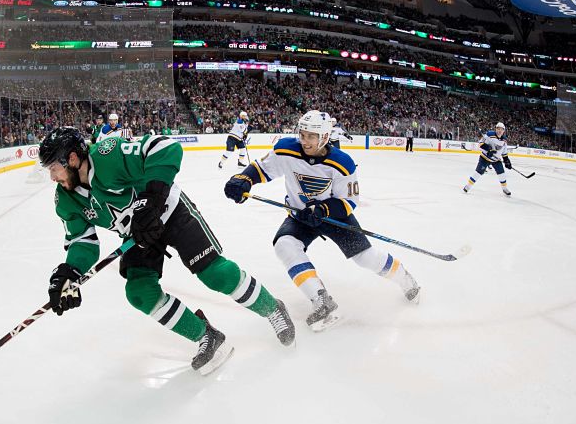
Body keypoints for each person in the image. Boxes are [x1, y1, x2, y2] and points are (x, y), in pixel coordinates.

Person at [40, 127, 295, 375]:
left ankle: (273, 308)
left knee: (215, 274)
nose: (52, 177)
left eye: (54, 168)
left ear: (72, 158)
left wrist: (151, 199)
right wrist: (69, 271)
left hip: (169, 212)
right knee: (140, 292)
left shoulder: (107, 154)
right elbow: (82, 242)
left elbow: (164, 147)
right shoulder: (65, 199)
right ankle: (208, 337)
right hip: (137, 235)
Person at [223, 110, 421, 332]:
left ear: (325, 137)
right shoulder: (286, 149)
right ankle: (321, 300)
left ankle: (405, 278)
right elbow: (261, 169)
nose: (304, 140)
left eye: (311, 136)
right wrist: (243, 179)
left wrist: (323, 209)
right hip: (300, 216)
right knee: (285, 245)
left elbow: (348, 201)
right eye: (303, 134)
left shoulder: (342, 162)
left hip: (334, 217)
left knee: (365, 258)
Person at [463, 122, 512, 196]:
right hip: (485, 158)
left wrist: (507, 161)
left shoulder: (504, 140)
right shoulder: (489, 135)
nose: (499, 130)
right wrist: (489, 149)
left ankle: (504, 188)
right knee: (478, 172)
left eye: (501, 129)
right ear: (495, 129)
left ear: (503, 131)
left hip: (496, 160)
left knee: (502, 173)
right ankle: (468, 186)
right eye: (498, 129)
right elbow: (481, 143)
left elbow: (504, 152)